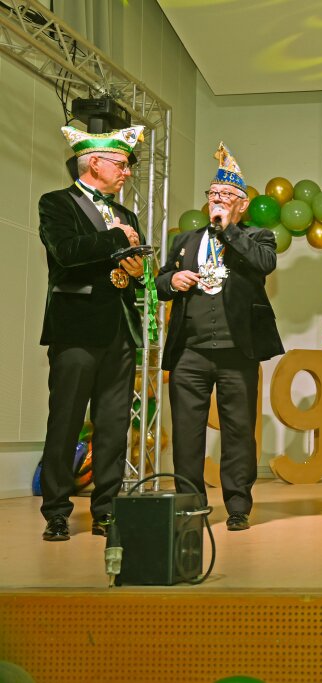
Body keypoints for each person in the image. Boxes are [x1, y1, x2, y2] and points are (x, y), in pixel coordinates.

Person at [156, 143, 284, 531]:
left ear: (241, 205)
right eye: (213, 194)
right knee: (187, 434)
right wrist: (173, 280)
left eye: (227, 195)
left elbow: (263, 264)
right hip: (189, 352)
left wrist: (227, 229)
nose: (218, 199)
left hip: (237, 351)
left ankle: (238, 506)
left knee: (238, 432)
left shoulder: (258, 236)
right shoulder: (184, 241)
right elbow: (159, 283)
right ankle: (190, 505)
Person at [38, 124, 147, 541]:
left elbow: (136, 271)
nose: (127, 172)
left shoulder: (127, 215)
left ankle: (107, 510)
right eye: (121, 164)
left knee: (114, 427)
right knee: (65, 422)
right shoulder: (56, 203)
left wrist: (138, 272)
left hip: (120, 330)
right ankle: (56, 511)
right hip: (76, 330)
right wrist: (115, 238)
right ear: (95, 163)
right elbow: (66, 253)